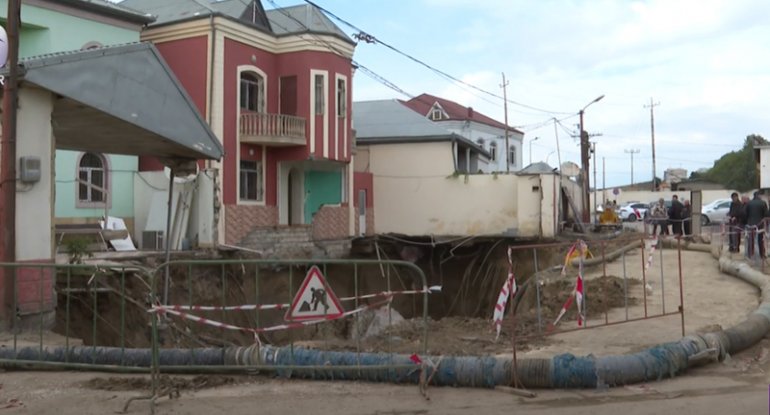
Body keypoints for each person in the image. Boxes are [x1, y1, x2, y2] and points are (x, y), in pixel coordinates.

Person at [745, 192, 768, 258]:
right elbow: (766, 213)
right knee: (761, 239)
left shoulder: (749, 203)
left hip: (750, 223)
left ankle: (750, 253)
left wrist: (748, 220)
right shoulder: (763, 203)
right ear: (759, 196)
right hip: (760, 223)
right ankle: (762, 254)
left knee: (751, 239)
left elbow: (745, 213)